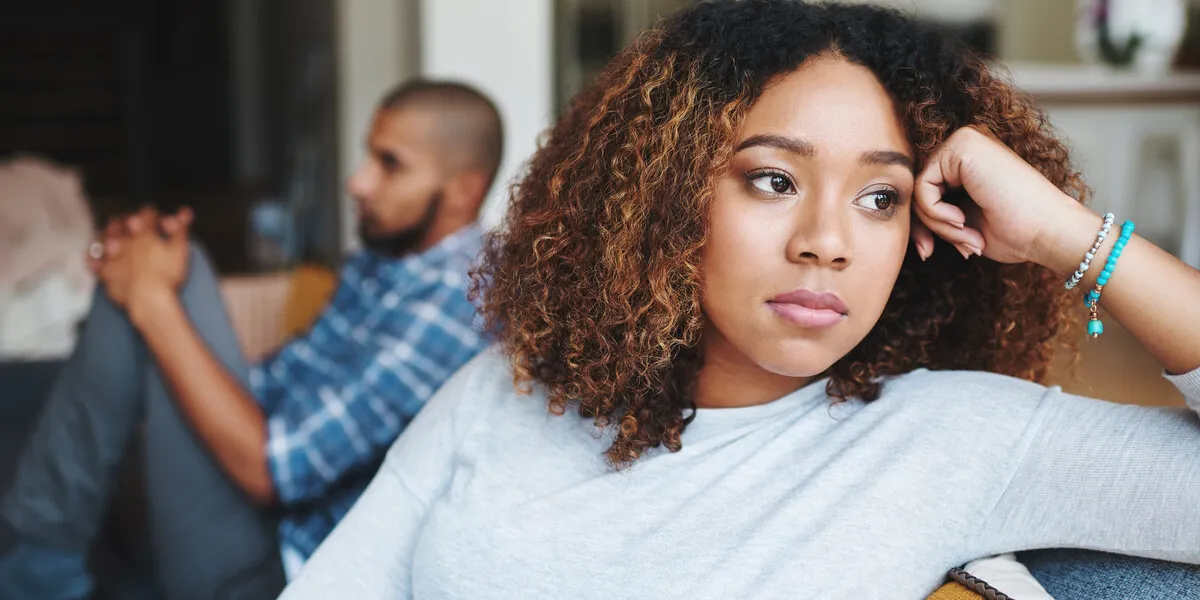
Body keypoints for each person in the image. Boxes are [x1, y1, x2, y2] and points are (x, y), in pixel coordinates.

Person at [278, 2, 1200, 599]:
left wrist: (1069, 238)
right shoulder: (504, 387)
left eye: (880, 197)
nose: (827, 240)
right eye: (771, 180)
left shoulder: (958, 438)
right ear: (666, 195)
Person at [0, 79, 503, 600]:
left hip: (281, 566)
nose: (358, 181)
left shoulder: (455, 301)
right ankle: (37, 562)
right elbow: (277, 380)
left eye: (390, 163)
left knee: (164, 275)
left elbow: (275, 471)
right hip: (262, 506)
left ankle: (34, 565)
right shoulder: (386, 262)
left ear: (463, 189)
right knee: (160, 257)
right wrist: (154, 308)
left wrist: (154, 304)